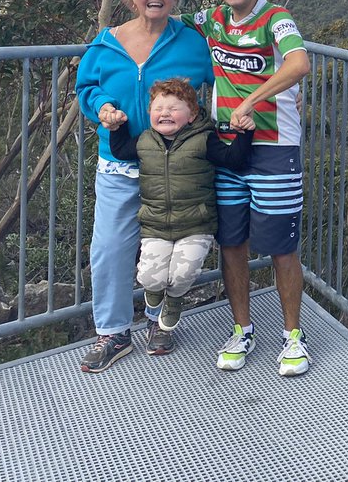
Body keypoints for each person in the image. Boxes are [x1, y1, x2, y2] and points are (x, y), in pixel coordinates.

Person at [107, 0, 312, 376]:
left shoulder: (277, 19)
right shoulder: (212, 20)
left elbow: (298, 63)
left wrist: (252, 101)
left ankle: (293, 336)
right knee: (232, 242)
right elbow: (155, 8)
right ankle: (242, 329)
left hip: (274, 146)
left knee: (280, 246)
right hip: (226, 144)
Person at [75, 0, 213, 373]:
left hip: (175, 167)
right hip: (120, 163)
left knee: (171, 248)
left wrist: (282, 94)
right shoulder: (106, 42)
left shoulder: (193, 42)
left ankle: (159, 322)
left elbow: (229, 76)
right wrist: (103, 109)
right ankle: (114, 332)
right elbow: (87, 87)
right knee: (110, 249)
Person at [103, 77, 256, 356]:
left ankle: (174, 299)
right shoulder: (144, 142)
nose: (165, 113)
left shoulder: (204, 140)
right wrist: (118, 126)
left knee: (183, 273)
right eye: (158, 108)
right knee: (149, 277)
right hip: (155, 226)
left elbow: (235, 159)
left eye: (174, 108)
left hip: (196, 226)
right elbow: (119, 150)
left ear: (192, 114)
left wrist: (245, 134)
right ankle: (158, 293)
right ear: (149, 114)